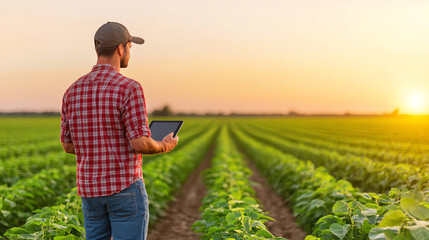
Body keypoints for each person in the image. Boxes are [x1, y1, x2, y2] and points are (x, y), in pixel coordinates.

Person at [60, 21, 178, 240]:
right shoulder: (129, 87)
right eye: (130, 48)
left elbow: (67, 146)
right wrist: (164, 145)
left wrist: (98, 148)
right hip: (124, 188)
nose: (129, 54)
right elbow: (140, 143)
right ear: (120, 49)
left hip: (89, 191)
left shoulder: (72, 91)